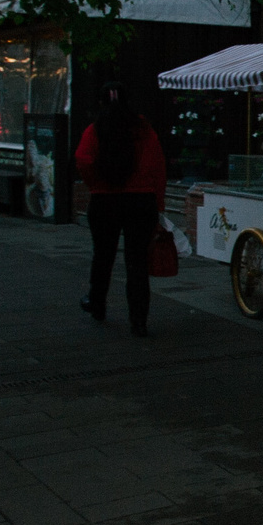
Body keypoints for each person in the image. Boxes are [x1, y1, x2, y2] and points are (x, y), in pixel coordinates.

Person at [74, 82, 167, 338]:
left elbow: (83, 159)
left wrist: (96, 184)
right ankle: (138, 321)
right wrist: (158, 203)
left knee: (103, 256)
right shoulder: (144, 131)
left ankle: (97, 303)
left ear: (100, 103)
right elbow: (158, 168)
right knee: (137, 262)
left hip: (105, 201)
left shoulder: (95, 130)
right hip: (140, 201)